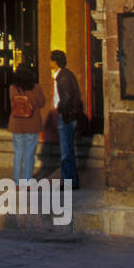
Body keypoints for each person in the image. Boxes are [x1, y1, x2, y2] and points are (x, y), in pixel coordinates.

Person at [8, 64, 45, 184]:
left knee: (18, 153)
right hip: (32, 123)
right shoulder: (36, 87)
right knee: (29, 153)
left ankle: (17, 181)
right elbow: (42, 103)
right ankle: (28, 181)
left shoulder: (13, 88)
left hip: (17, 123)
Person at [51, 50, 82, 189]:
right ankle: (70, 180)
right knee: (67, 150)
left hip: (66, 117)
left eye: (51, 60)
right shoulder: (63, 75)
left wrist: (60, 110)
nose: (49, 63)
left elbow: (67, 97)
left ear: (55, 62)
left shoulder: (63, 77)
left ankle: (70, 182)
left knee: (66, 151)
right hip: (67, 115)